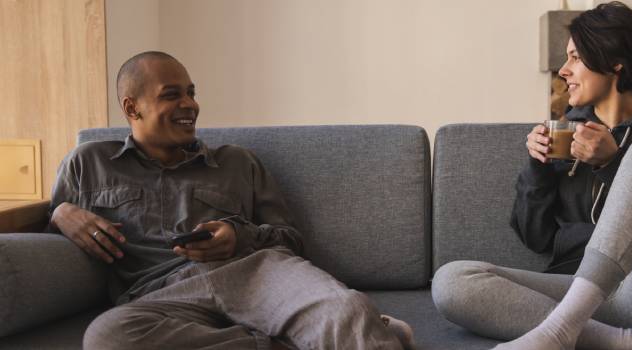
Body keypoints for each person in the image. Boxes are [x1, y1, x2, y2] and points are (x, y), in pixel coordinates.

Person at [48, 51, 414, 350]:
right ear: (132, 108)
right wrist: (61, 213)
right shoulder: (88, 162)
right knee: (108, 336)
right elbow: (48, 231)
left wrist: (240, 237)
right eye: (172, 94)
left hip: (256, 273)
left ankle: (341, 330)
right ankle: (284, 342)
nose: (190, 104)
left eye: (191, 92)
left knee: (345, 308)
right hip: (164, 297)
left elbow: (291, 240)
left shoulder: (237, 161)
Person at [431, 2, 632, 350]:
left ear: (614, 60)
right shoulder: (565, 134)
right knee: (451, 281)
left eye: (575, 57)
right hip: (581, 292)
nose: (563, 70)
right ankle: (627, 341)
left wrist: (612, 163)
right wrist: (537, 166)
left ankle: (558, 331)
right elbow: (536, 238)